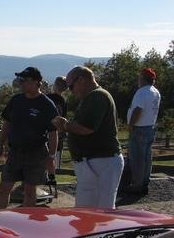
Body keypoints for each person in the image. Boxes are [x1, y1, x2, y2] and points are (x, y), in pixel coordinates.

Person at [52, 65, 123, 209]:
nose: (71, 91)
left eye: (71, 87)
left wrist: (64, 125)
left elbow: (86, 128)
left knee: (100, 210)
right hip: (97, 160)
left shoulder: (97, 96)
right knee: (89, 209)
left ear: (81, 80)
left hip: (101, 160)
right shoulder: (93, 97)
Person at [0, 67, 58, 208]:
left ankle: (26, 219)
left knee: (29, 192)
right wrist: (0, 144)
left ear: (36, 82)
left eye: (24, 80)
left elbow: (53, 132)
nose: (21, 82)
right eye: (20, 79)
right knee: (3, 189)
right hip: (14, 152)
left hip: (36, 154)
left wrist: (51, 156)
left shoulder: (47, 104)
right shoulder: (16, 100)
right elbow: (7, 123)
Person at [126, 67, 161, 195]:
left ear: (142, 78)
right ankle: (144, 183)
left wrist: (131, 125)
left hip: (139, 128)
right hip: (150, 127)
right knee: (147, 158)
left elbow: (138, 110)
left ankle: (136, 186)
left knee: (137, 159)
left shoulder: (141, 92)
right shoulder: (156, 92)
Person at [47, 76, 68, 170]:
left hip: (46, 134)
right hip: (58, 136)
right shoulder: (64, 101)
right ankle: (53, 177)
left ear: (55, 85)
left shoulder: (47, 98)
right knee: (55, 164)